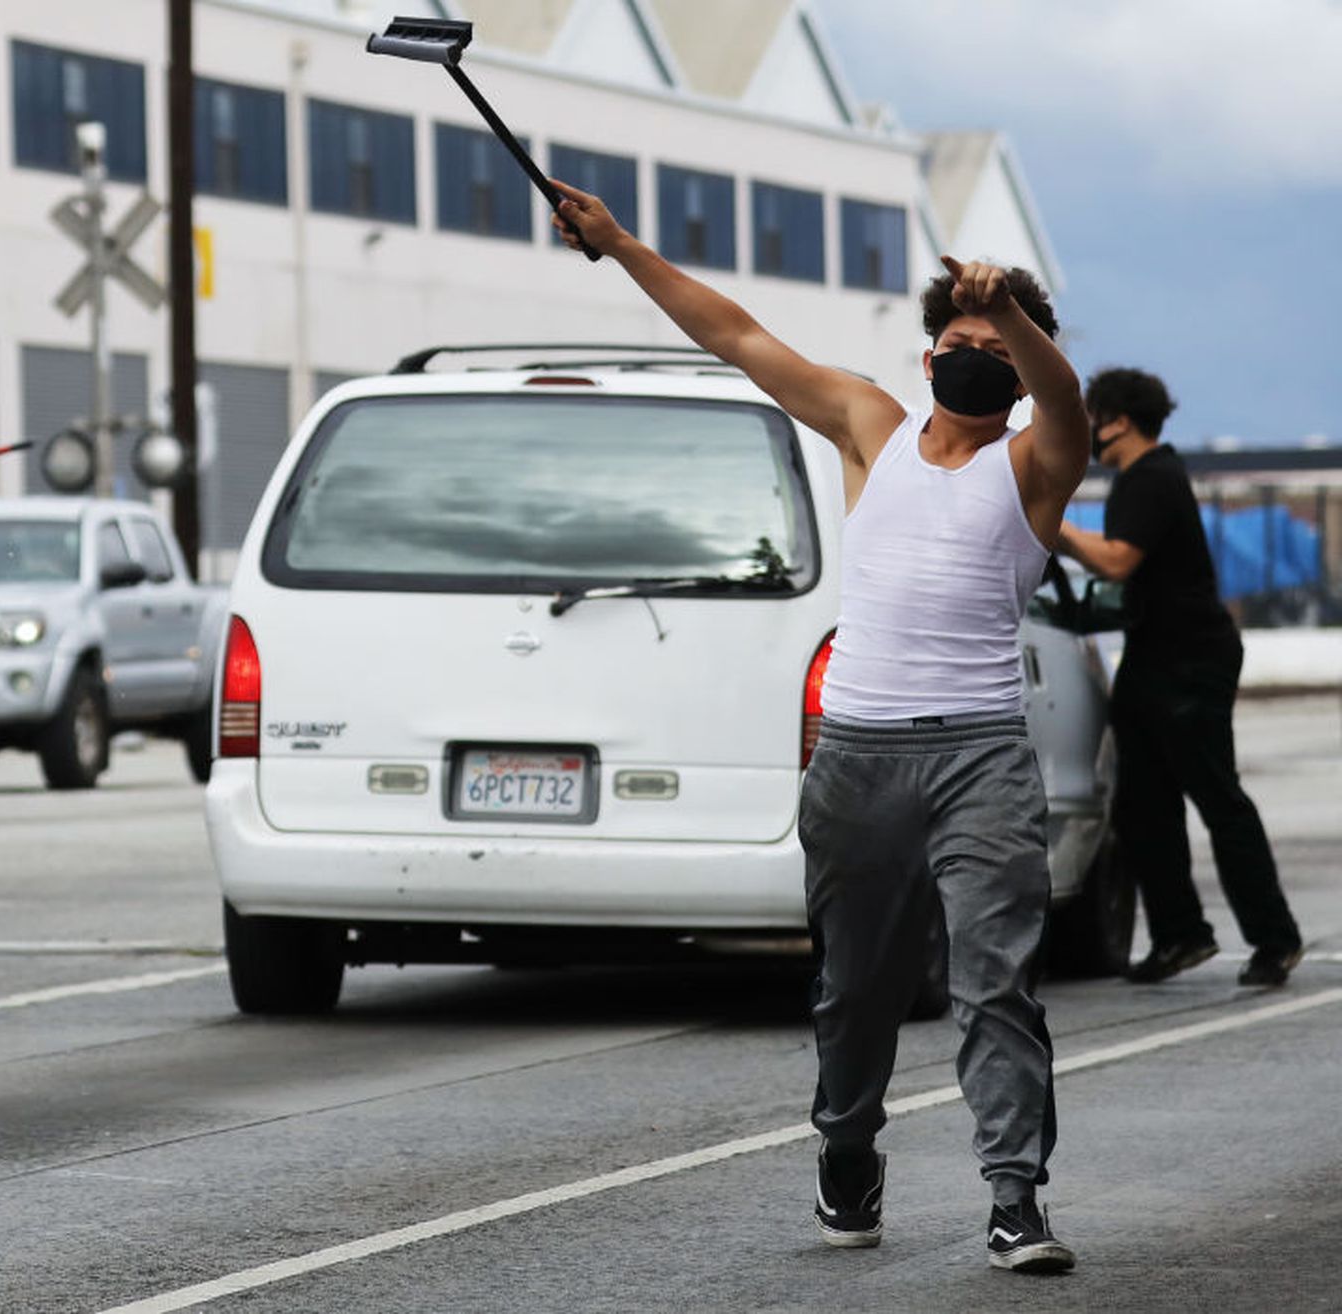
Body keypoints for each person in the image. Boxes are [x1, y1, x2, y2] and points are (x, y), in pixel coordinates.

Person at [550, 182, 1088, 1273]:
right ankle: (849, 1150)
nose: (979, 356)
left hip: (980, 753)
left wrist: (1016, 318)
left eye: (1001, 345)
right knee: (857, 989)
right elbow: (735, 334)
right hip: (857, 755)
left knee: (994, 981)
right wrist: (617, 246)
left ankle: (1014, 1199)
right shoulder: (869, 427)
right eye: (960, 340)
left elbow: (1065, 399)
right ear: (929, 358)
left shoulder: (1033, 464)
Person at [1057, 368, 1302, 988]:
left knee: (1216, 796)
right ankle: (1180, 935)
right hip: (1152, 654)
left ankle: (1276, 940)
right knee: (1141, 805)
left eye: (1094, 416)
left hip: (1190, 660)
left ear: (1118, 420)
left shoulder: (1151, 478)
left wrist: (1052, 523)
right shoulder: (1143, 479)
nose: (1088, 429)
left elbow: (1117, 561)